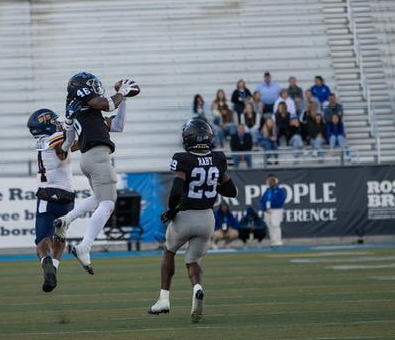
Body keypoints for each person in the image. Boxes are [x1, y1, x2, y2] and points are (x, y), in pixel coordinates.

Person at [148, 118, 238, 322]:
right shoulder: (218, 158)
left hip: (185, 216)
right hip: (207, 219)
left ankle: (164, 298)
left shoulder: (183, 159)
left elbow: (177, 189)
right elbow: (231, 191)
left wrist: (171, 210)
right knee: (193, 260)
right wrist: (214, 180)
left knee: (169, 251)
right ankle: (197, 287)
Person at [53, 72, 136, 275]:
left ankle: (66, 220)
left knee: (99, 198)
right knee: (108, 203)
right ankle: (85, 246)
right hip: (98, 157)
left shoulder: (79, 112)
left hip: (87, 160)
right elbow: (107, 104)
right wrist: (123, 92)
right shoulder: (90, 106)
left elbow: (117, 125)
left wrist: (123, 99)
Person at [27, 109, 76, 292]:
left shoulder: (42, 141)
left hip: (47, 194)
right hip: (67, 195)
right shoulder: (55, 137)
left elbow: (68, 145)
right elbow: (65, 147)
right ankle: (54, 267)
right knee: (60, 236)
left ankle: (46, 261)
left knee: (42, 239)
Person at [259, 174, 286, 247]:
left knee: (275, 224)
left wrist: (272, 205)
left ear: (275, 182)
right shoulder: (267, 191)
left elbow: (281, 200)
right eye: (269, 181)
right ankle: (273, 241)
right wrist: (263, 208)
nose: (270, 182)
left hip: (276, 210)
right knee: (270, 225)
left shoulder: (279, 190)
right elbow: (262, 200)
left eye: (272, 181)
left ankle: (278, 241)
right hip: (267, 210)